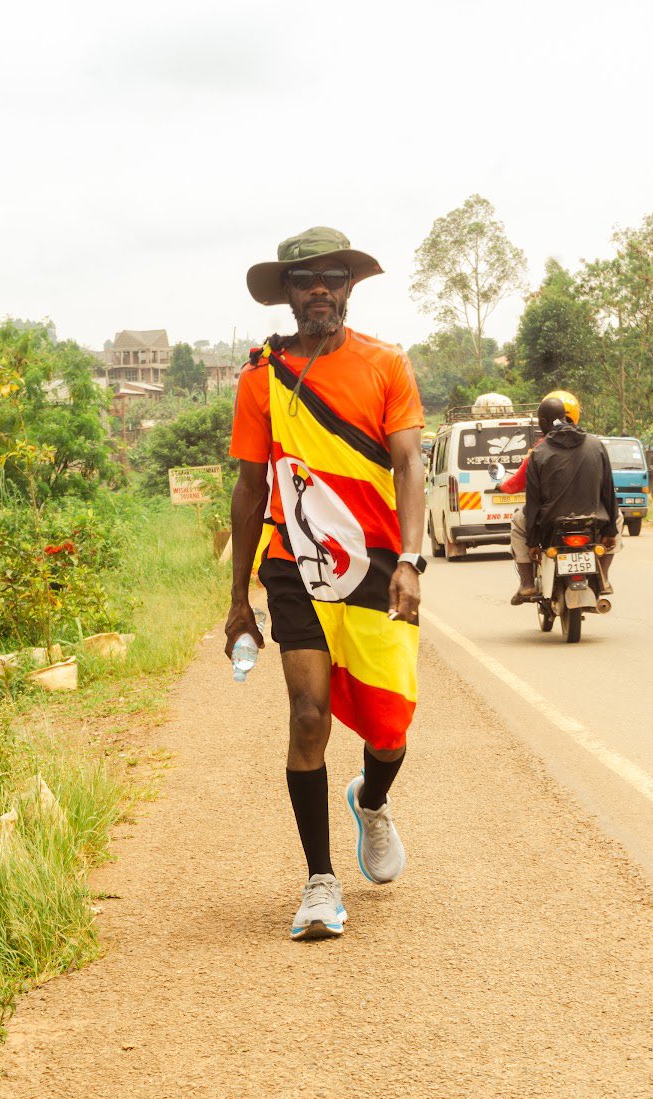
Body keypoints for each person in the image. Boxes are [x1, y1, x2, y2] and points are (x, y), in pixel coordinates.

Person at [226, 227, 426, 941]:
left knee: (389, 728)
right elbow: (251, 488)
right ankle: (320, 882)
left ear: (348, 289)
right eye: (305, 278)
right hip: (296, 566)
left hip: (376, 565)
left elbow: (408, 465)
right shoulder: (262, 378)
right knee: (307, 715)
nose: (319, 289)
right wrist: (236, 600)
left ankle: (372, 802)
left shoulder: (386, 366)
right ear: (287, 293)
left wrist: (410, 557)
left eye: (332, 277)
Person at [515, 396, 619, 598]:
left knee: (517, 522)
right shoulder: (596, 445)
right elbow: (608, 490)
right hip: (594, 520)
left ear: (543, 422)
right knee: (619, 516)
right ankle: (603, 577)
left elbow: (533, 501)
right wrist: (611, 530)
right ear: (565, 417)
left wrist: (533, 542)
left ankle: (527, 583)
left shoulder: (538, 453)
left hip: (550, 524)